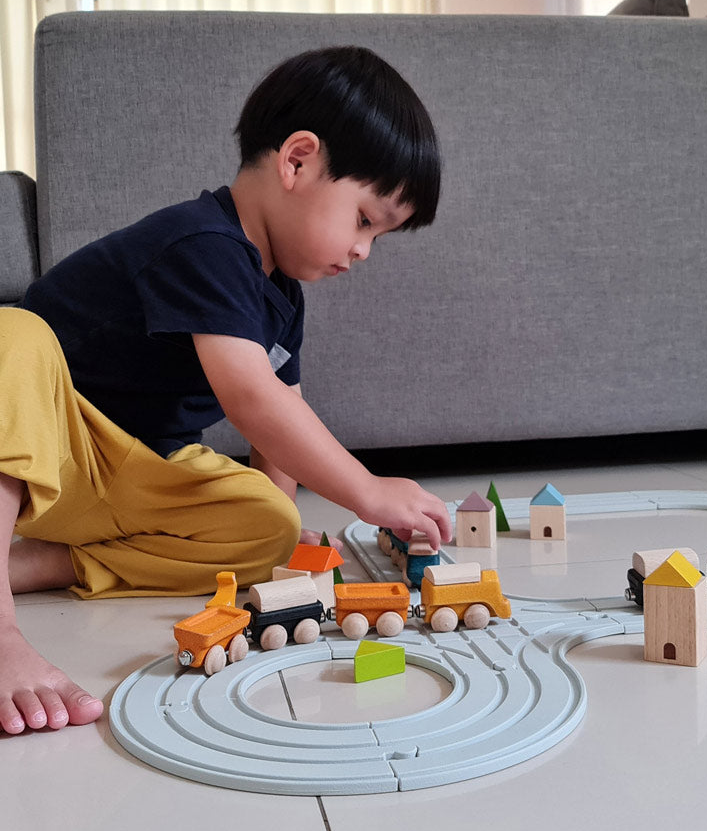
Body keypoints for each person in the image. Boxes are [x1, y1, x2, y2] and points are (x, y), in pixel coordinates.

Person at [0, 46, 453, 736]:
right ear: (297, 161)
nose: (364, 250)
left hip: (134, 473)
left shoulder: (283, 297)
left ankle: (31, 562)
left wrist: (289, 530)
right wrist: (368, 489)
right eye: (365, 219)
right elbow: (250, 398)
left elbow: (283, 414)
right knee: (14, 337)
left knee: (266, 523)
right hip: (49, 438)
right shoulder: (203, 242)